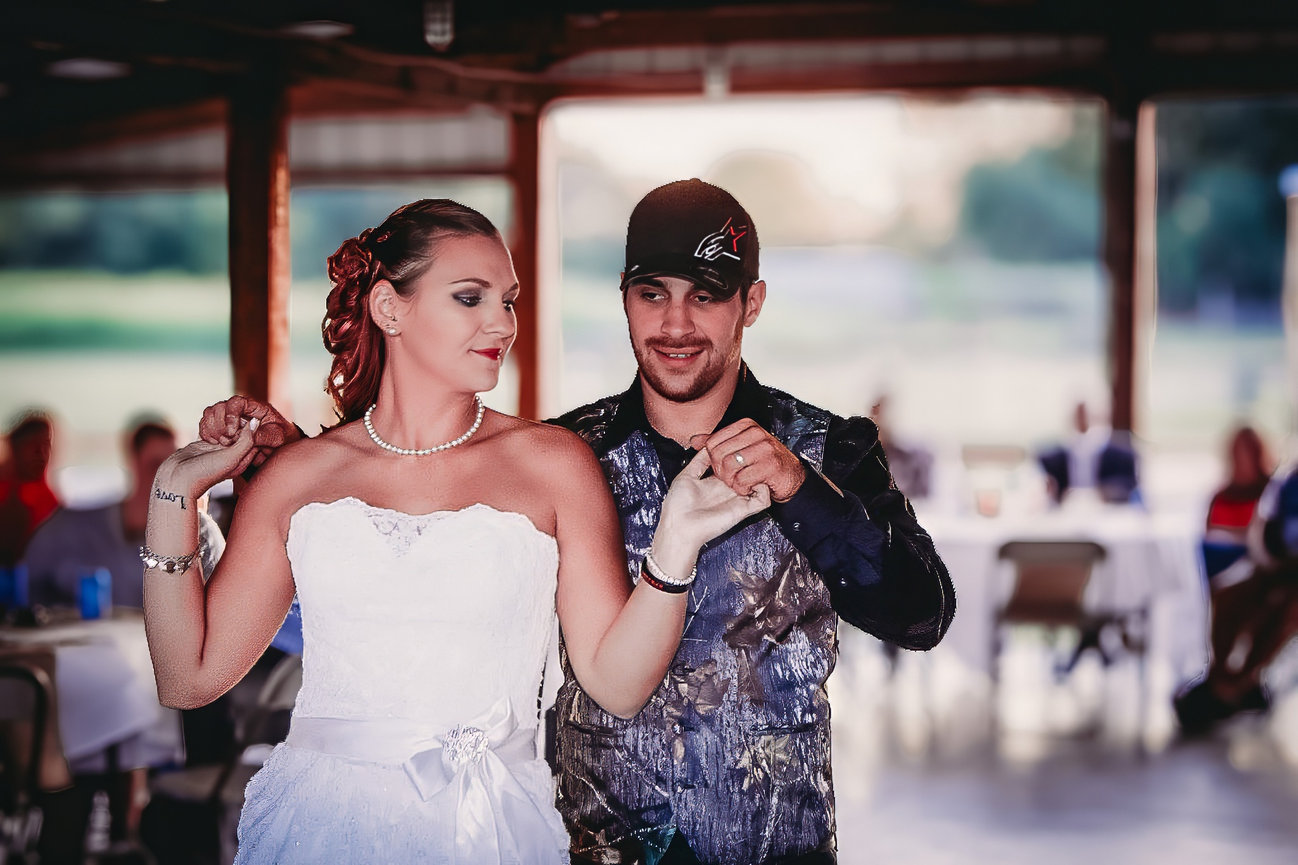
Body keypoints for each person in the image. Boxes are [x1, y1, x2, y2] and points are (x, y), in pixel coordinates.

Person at [205, 180, 956, 864]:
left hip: (772, 845)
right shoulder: (561, 453)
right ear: (624, 298)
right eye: (652, 294)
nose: (675, 323)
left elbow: (923, 615)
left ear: (750, 304)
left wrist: (801, 491)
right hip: (595, 845)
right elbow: (412, 537)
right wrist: (296, 461)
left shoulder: (830, 448)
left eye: (706, 295)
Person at [150, 199, 767, 864]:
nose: (502, 323)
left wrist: (676, 541)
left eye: (508, 301)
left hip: (491, 827)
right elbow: (188, 679)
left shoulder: (553, 464)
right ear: (389, 309)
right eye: (470, 298)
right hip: (320, 827)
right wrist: (174, 490)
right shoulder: (299, 476)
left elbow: (618, 686)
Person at [23, 418, 224, 609]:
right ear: (133, 463)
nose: (167, 477)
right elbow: (26, 586)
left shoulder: (201, 537)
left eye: (177, 466)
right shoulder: (71, 529)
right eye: (156, 465)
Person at [1175, 458, 1298, 735]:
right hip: (1272, 565)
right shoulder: (1287, 480)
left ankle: (1237, 685)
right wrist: (1266, 562)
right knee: (1229, 592)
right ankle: (1221, 676)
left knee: (1288, 609)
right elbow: (1261, 526)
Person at [1038, 400, 1140, 505]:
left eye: (1086, 415)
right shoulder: (1055, 459)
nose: (1083, 420)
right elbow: (1046, 488)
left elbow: (1130, 487)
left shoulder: (1122, 456)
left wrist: (1107, 492)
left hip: (1108, 510)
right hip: (1070, 509)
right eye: (1079, 416)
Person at [0, 412, 60, 567]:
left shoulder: (49, 501)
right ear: (15, 447)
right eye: (32, 445)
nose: (41, 453)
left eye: (46, 444)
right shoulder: (5, 492)